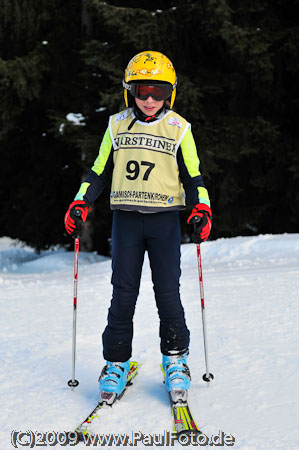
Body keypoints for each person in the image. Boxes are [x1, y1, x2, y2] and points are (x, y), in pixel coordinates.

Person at [64, 51, 212, 398]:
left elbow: (194, 178)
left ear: (170, 93)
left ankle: (175, 359)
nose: (149, 99)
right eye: (142, 91)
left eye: (158, 92)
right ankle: (116, 363)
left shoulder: (179, 128)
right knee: (123, 294)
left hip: (164, 223)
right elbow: (99, 171)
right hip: (127, 222)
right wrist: (80, 202)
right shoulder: (116, 124)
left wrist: (202, 209)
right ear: (129, 91)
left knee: (168, 293)